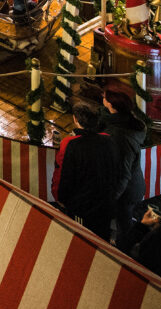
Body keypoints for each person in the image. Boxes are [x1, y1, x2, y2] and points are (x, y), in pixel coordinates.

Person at [51, 102, 119, 240]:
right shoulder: (108, 140)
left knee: (82, 238)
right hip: (106, 203)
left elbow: (64, 174)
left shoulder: (71, 144)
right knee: (101, 237)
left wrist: (60, 198)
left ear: (75, 119)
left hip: (82, 206)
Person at [100, 89, 146, 245]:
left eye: (104, 97)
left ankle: (123, 251)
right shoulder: (132, 122)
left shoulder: (119, 136)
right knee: (123, 218)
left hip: (127, 191)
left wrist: (111, 198)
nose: (102, 97)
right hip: (135, 184)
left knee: (124, 224)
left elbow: (123, 174)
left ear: (111, 105)